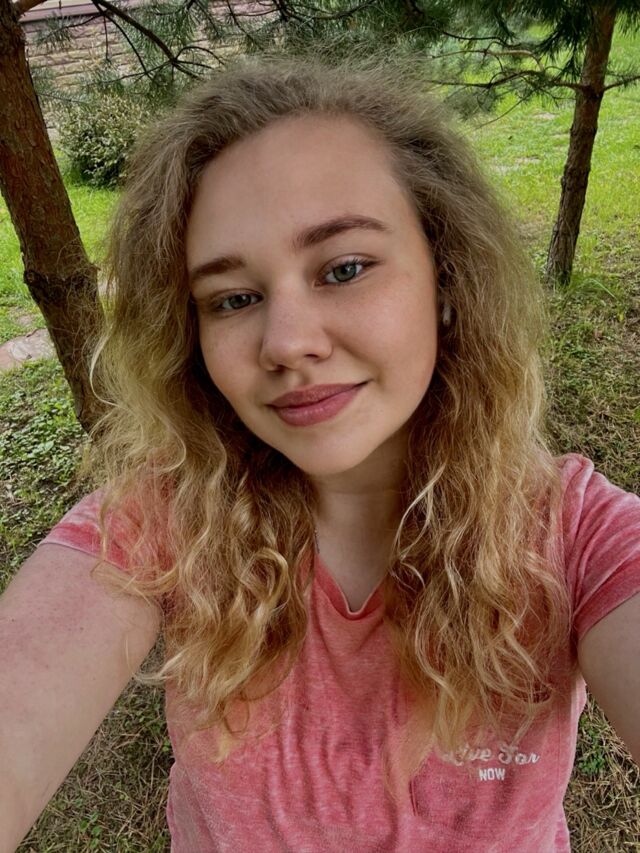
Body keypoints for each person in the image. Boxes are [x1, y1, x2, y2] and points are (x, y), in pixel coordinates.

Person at [1, 53, 639, 853]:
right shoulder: (163, 523)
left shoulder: (575, 537)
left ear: (446, 277)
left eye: (344, 268)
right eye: (234, 298)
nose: (287, 342)